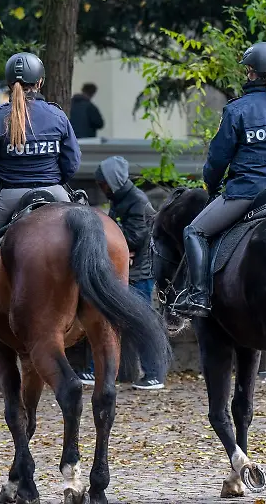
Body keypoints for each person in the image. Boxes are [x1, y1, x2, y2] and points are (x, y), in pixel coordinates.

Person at [171, 41, 266, 317]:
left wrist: (211, 186)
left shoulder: (237, 110)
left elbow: (218, 159)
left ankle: (198, 296)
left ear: (253, 74)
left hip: (249, 192)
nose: (246, 75)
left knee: (194, 231)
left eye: (248, 70)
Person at [0, 52, 82, 348]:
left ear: (10, 82)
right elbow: (72, 164)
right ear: (40, 81)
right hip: (55, 193)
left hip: (10, 196)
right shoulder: (57, 115)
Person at [76, 155, 166, 390]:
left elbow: (134, 238)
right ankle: (98, 370)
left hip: (139, 273)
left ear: (112, 181)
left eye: (102, 184)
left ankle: (154, 374)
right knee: (106, 318)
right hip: (125, 268)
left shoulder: (135, 201)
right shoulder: (121, 198)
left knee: (141, 322)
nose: (101, 188)